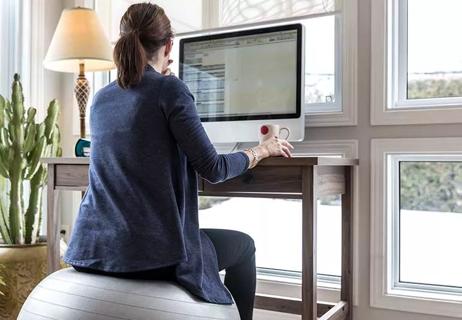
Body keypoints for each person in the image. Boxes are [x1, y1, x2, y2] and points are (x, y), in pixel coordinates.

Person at [63, 3, 294, 320]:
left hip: (92, 250)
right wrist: (263, 150)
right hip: (150, 256)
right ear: (169, 44)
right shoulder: (169, 89)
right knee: (245, 247)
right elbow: (213, 168)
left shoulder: (101, 98)